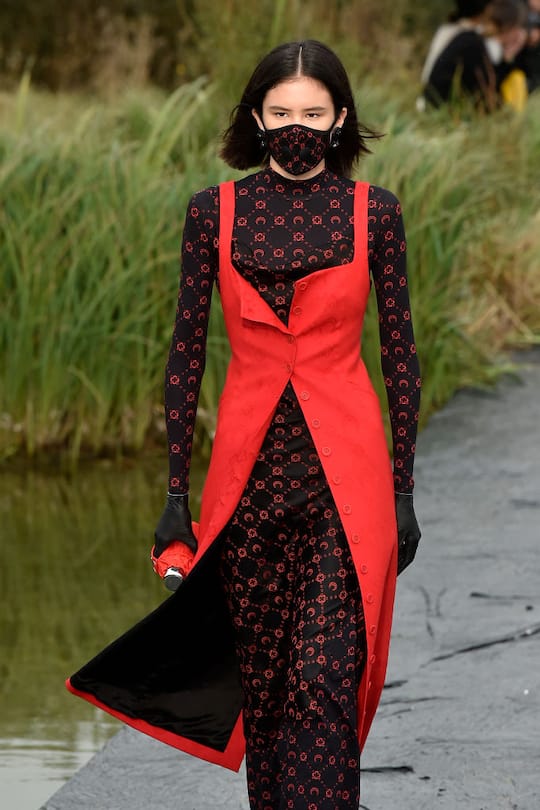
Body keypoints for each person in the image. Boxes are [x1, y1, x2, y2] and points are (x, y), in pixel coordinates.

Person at [67, 40, 421, 809]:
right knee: (263, 699)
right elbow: (184, 355)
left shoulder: (376, 214)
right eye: (282, 111)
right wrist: (173, 501)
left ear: (341, 119)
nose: (297, 125)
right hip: (247, 489)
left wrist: (404, 492)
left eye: (314, 112)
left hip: (346, 491)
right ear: (257, 118)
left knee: (322, 686)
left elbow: (402, 362)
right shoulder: (213, 213)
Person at [420, 0, 527, 110]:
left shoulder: (471, 39)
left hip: (437, 107)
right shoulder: (474, 45)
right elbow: (488, 94)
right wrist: (508, 57)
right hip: (439, 110)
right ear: (508, 28)